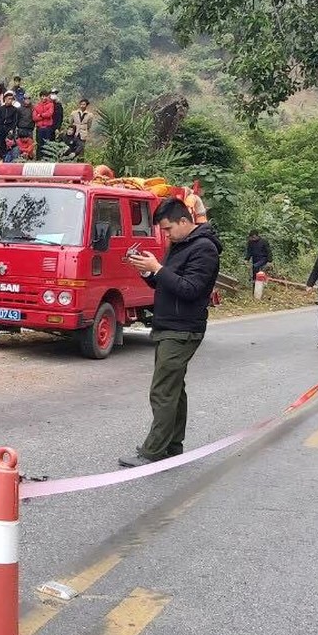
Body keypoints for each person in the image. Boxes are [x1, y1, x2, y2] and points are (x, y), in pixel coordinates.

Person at [121, 198, 222, 468]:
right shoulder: (181, 246)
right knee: (174, 389)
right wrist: (146, 270)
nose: (166, 235)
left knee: (163, 390)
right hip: (169, 325)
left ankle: (153, 451)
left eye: (167, 229)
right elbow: (165, 283)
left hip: (183, 329)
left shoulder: (204, 249)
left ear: (183, 221)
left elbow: (191, 289)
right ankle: (172, 445)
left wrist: (158, 269)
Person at [32, 91, 57, 158]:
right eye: (42, 96)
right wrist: (43, 116)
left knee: (47, 144)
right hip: (39, 128)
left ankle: (47, 159)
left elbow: (49, 114)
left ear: (47, 97)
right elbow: (34, 118)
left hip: (47, 127)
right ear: (40, 97)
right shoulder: (37, 105)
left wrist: (40, 115)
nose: (44, 97)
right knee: (39, 144)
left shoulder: (51, 104)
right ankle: (39, 158)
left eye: (45, 96)